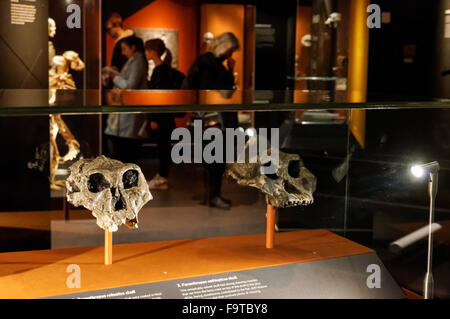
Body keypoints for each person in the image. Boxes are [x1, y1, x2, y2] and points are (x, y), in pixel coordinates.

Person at [182, 32, 240, 209]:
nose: (231, 54)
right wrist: (230, 71)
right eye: (231, 50)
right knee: (216, 159)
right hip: (212, 118)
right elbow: (222, 90)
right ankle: (214, 196)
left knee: (212, 158)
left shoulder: (206, 62)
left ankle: (213, 195)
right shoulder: (211, 64)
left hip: (205, 117)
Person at [144, 39, 185, 190]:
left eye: (147, 50)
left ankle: (162, 178)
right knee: (164, 147)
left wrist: (154, 118)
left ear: (153, 51)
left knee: (163, 148)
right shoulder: (164, 70)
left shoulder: (159, 71)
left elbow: (158, 98)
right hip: (166, 117)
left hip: (161, 118)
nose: (146, 53)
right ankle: (162, 176)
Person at [104, 36, 148, 163]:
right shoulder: (133, 61)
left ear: (133, 48)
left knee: (127, 152)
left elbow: (130, 86)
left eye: (124, 48)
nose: (123, 52)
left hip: (130, 113)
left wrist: (114, 76)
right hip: (125, 113)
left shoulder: (137, 61)